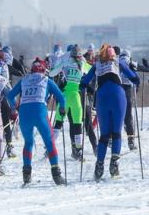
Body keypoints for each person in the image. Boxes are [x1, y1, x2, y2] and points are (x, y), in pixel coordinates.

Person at [80, 44, 139, 181]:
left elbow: (84, 82)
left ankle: (99, 165)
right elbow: (133, 77)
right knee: (117, 133)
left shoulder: (97, 64)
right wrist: (137, 80)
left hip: (102, 97)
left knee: (105, 135)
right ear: (113, 55)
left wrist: (83, 85)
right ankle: (114, 164)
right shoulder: (117, 62)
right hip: (118, 96)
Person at [7, 58, 66, 185]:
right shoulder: (46, 80)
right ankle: (56, 175)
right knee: (50, 142)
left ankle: (26, 175)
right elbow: (61, 97)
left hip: (24, 114)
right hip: (40, 112)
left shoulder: (24, 80)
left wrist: (15, 107)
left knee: (28, 142)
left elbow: (10, 95)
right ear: (44, 70)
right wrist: (62, 108)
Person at [48, 45, 89, 161]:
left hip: (64, 96)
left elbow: (52, 74)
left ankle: (49, 150)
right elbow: (93, 71)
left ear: (71, 54)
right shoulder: (82, 63)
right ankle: (79, 150)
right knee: (77, 125)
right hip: (76, 97)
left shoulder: (65, 62)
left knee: (58, 124)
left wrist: (55, 68)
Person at [119, 49, 137, 150]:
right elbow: (138, 70)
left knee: (116, 115)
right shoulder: (131, 61)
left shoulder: (117, 61)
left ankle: (111, 139)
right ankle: (131, 141)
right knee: (128, 116)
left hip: (118, 88)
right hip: (128, 89)